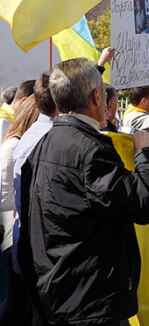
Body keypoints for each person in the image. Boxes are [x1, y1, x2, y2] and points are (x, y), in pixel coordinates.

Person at [17, 58, 149, 325]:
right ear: (97, 96)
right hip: (89, 302)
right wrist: (146, 154)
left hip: (57, 292)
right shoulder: (92, 151)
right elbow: (145, 204)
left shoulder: (44, 143)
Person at [0, 95, 40, 325]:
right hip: (11, 235)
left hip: (21, 231)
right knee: (17, 303)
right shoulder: (13, 145)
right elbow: (4, 198)